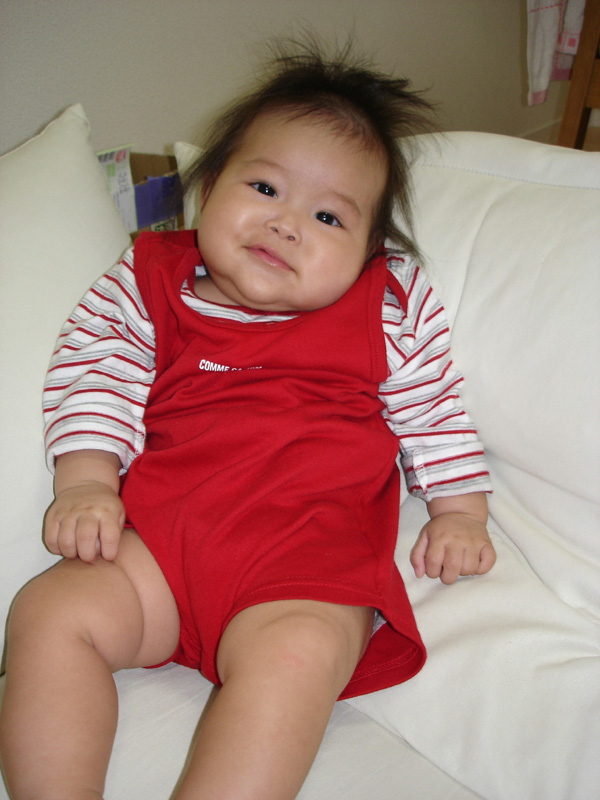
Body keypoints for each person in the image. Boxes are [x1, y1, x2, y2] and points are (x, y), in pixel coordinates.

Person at [0, 41, 495, 800]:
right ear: (209, 187)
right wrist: (87, 482)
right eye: (264, 187)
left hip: (309, 568)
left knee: (294, 662)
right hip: (161, 550)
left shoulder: (385, 303)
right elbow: (97, 375)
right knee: (48, 612)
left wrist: (462, 511)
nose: (287, 224)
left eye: (328, 215)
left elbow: (433, 404)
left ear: (368, 250)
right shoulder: (150, 280)